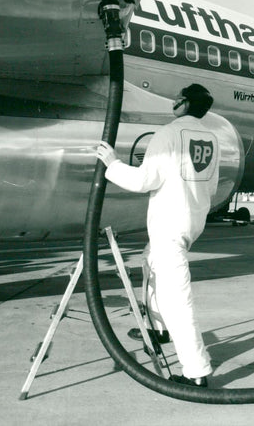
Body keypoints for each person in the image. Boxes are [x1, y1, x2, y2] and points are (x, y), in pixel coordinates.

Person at [96, 83, 219, 388]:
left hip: (169, 225)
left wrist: (112, 163)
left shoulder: (168, 134)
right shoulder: (211, 138)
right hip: (192, 221)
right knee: (149, 259)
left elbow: (144, 180)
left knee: (177, 297)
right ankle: (159, 328)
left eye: (177, 98)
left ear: (185, 103)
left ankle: (196, 371)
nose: (173, 101)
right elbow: (212, 186)